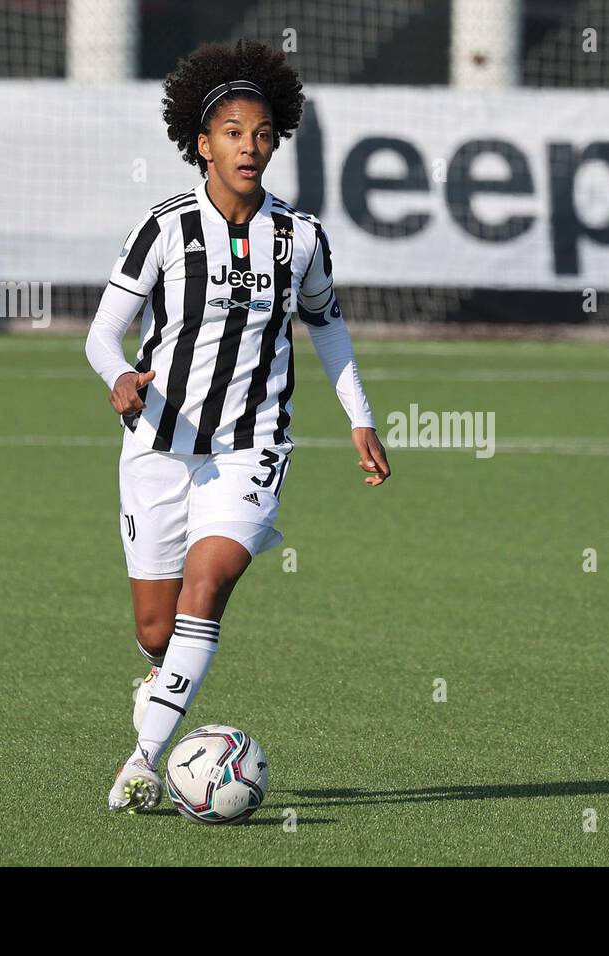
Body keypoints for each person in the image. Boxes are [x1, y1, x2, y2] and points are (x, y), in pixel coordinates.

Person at [85, 38, 391, 812]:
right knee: (156, 630)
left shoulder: (301, 237)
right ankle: (161, 682)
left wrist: (360, 417)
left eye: (262, 134)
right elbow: (100, 333)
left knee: (208, 581)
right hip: (157, 446)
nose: (250, 146)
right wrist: (118, 376)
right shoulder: (163, 229)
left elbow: (328, 325)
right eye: (232, 133)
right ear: (202, 144)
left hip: (250, 447)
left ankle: (142, 760)